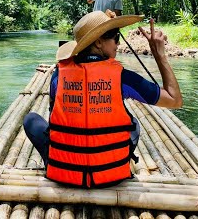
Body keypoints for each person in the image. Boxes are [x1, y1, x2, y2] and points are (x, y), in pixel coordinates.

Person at [23, 10, 182, 188]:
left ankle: (58, 165)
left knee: (31, 119)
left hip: (64, 173)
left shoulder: (58, 75)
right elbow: (174, 100)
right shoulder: (123, 77)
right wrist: (159, 55)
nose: (118, 43)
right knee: (133, 123)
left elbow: (54, 116)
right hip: (110, 176)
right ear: (98, 42)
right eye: (115, 37)